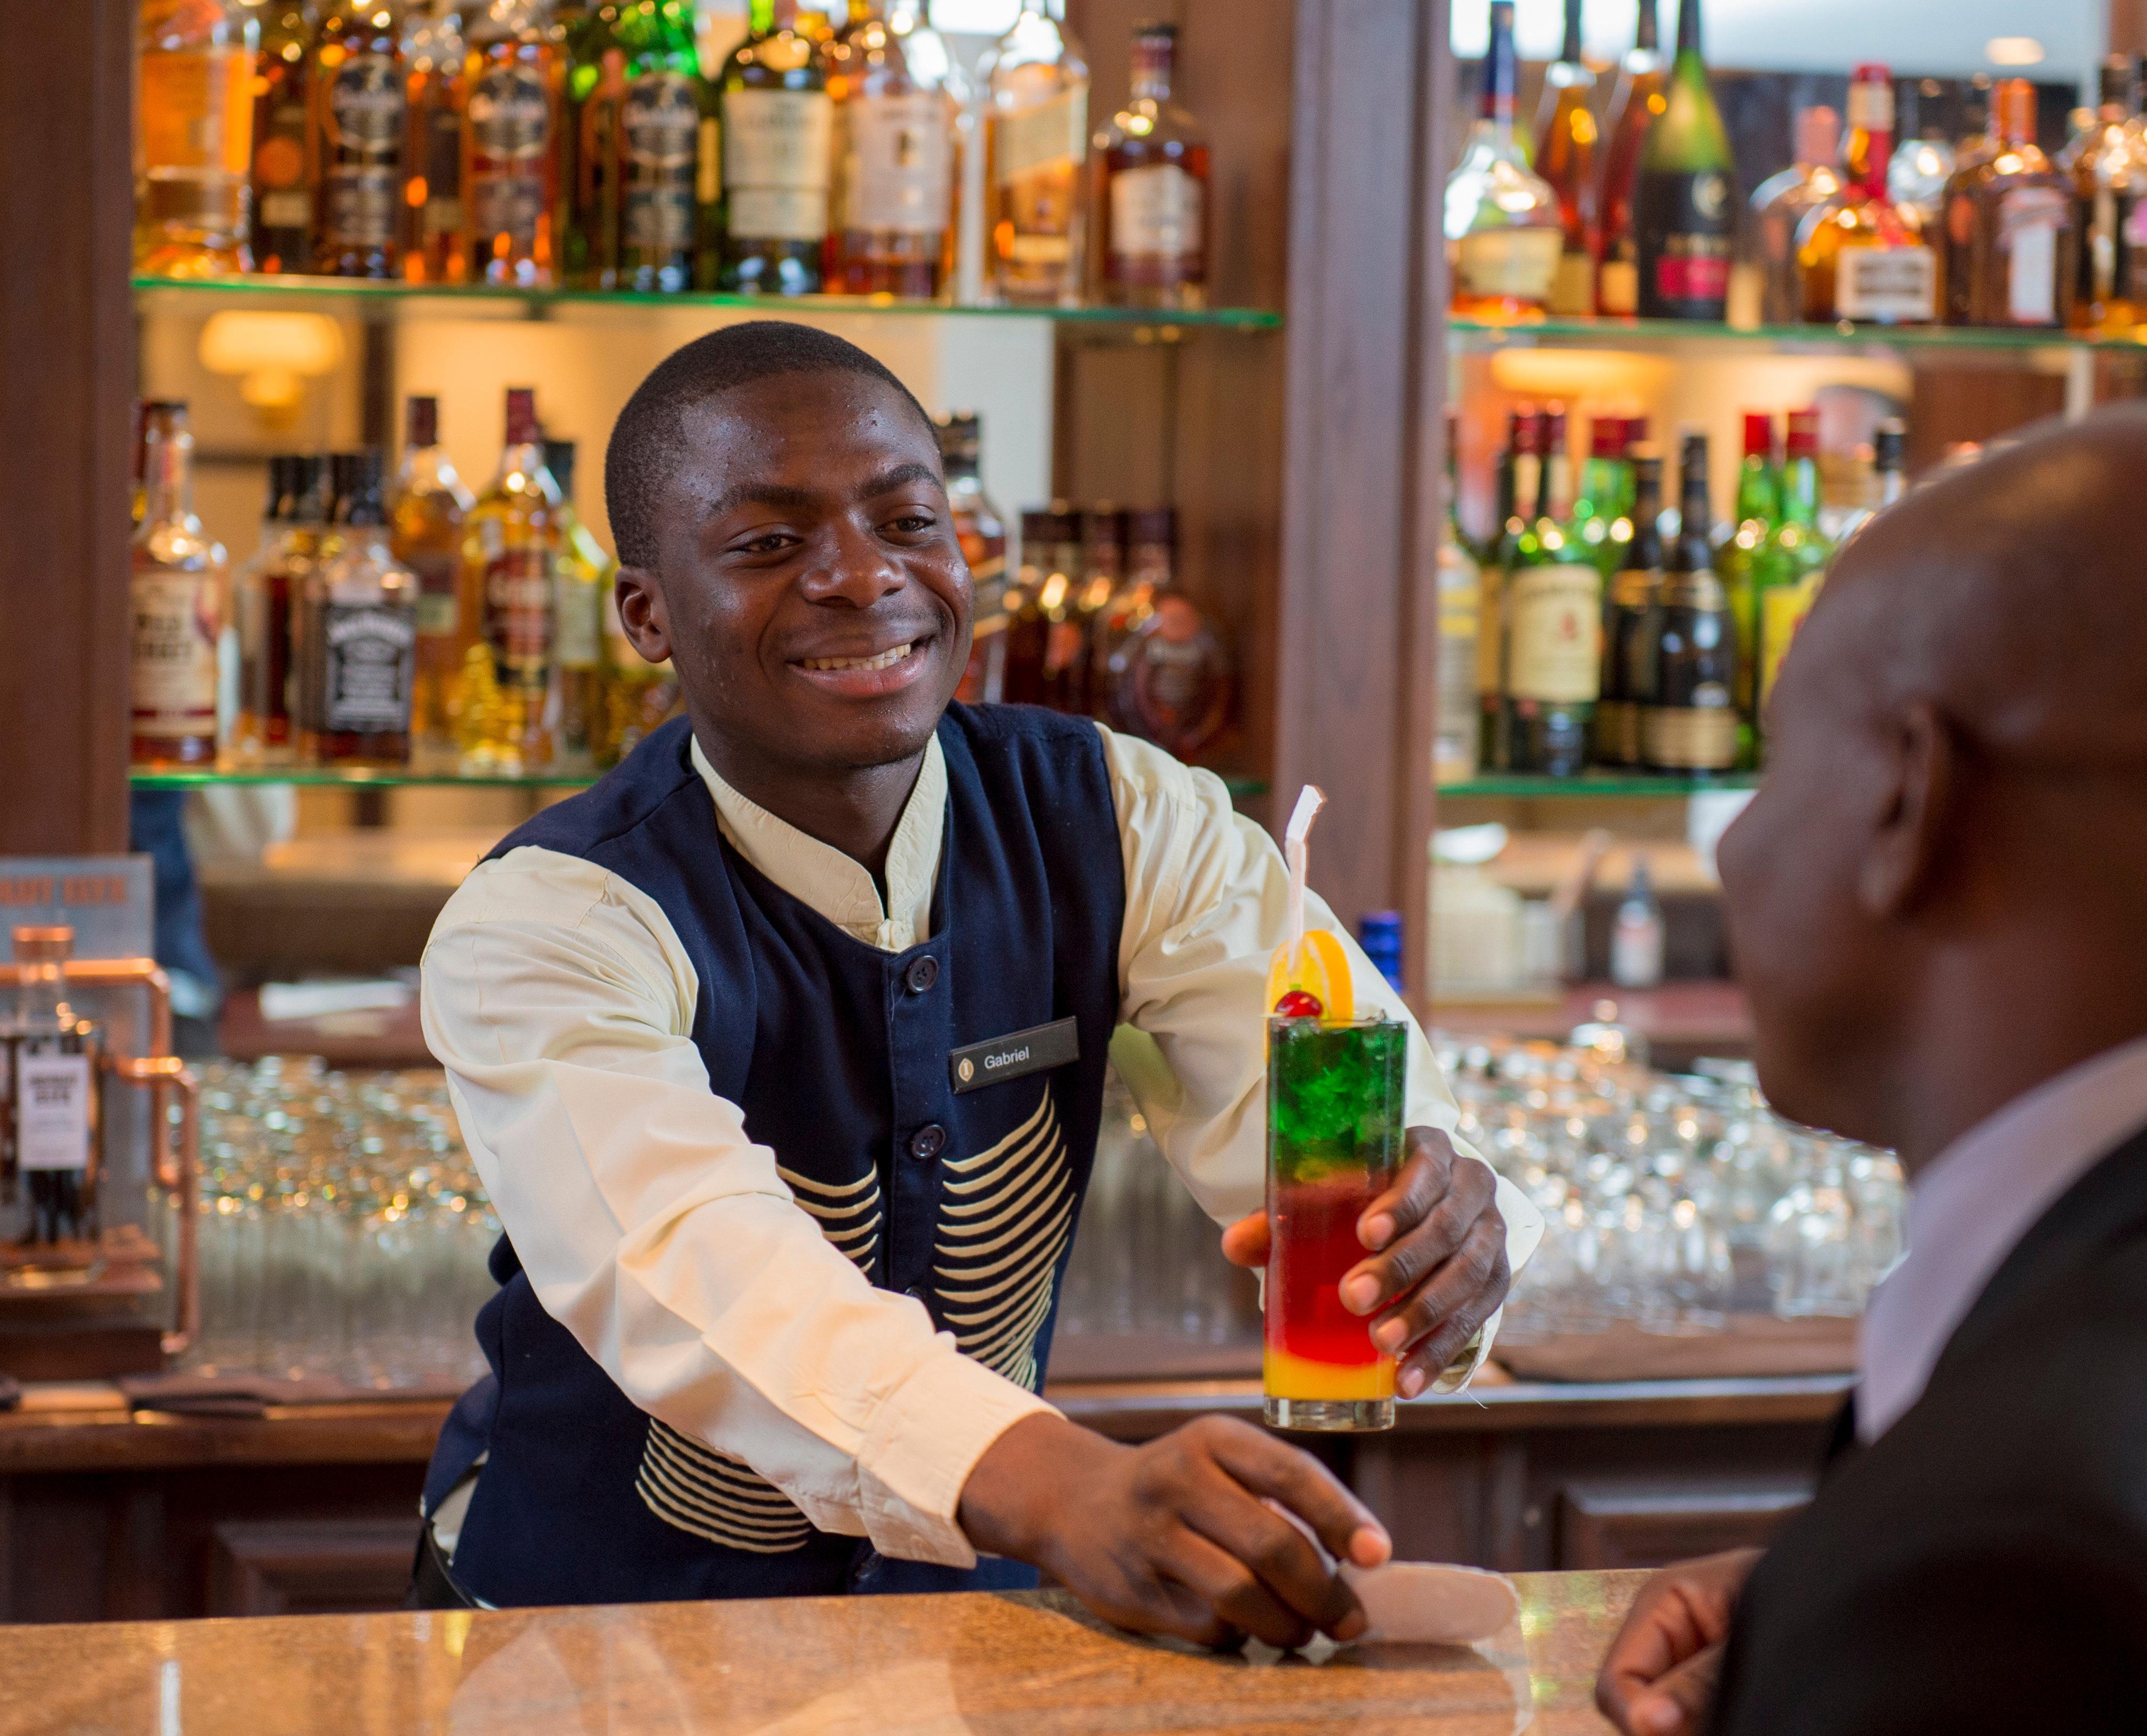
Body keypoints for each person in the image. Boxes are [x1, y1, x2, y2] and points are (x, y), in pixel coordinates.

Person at [417, 322, 1541, 1641]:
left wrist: (1447, 1239)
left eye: (907, 519)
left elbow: (1341, 1111)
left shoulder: (1123, 815)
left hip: (968, 1632)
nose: (862, 577)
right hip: (596, 1637)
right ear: (647, 613)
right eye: (771, 544)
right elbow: (687, 1270)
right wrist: (1061, 1485)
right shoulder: (553, 915)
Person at [1596, 410, 2147, 1735]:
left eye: (1777, 765)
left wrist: (1880, 1625)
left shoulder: (1994, 1564)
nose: (1730, 859)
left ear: (1911, 801)